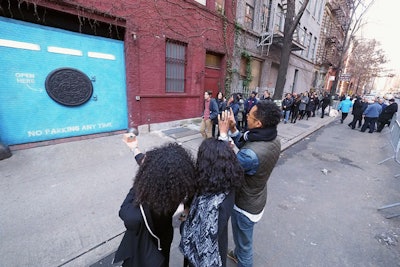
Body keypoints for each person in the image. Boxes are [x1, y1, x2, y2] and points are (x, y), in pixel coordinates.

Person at [114, 137, 196, 267]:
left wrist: (139, 183)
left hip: (148, 243)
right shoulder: (180, 187)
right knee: (163, 260)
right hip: (165, 236)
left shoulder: (147, 198)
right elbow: (145, 163)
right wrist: (135, 149)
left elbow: (126, 215)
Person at [218, 101, 281, 267]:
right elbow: (246, 145)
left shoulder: (250, 155)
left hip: (244, 205)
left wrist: (223, 135)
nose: (246, 115)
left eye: (250, 115)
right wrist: (233, 129)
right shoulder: (271, 137)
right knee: (242, 238)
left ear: (258, 123)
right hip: (257, 196)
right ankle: (238, 253)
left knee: (245, 245)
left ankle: (242, 258)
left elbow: (226, 167)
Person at [180, 138, 244, 267]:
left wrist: (183, 221)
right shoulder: (227, 185)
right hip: (219, 245)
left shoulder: (211, 206)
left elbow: (195, 237)